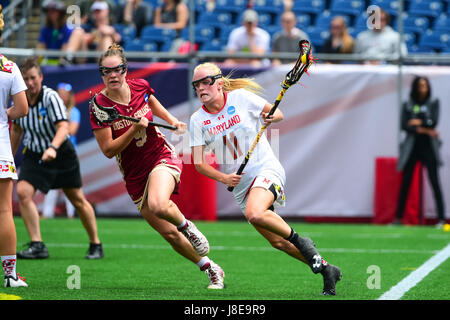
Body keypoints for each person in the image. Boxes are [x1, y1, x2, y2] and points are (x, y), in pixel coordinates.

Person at [189, 62, 342, 295]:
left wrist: (272, 118)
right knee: (278, 242)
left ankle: (303, 242)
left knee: (255, 212)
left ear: (219, 83)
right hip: (240, 187)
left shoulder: (240, 97)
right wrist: (223, 178)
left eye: (205, 82)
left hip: (266, 169)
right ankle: (326, 269)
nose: (201, 88)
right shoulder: (197, 120)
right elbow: (199, 163)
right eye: (196, 84)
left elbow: (277, 113)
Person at [89, 44, 224, 289]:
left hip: (160, 155)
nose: (112, 75)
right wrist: (134, 129)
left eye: (117, 69)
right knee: (169, 234)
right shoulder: (99, 106)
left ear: (125, 69)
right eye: (105, 72)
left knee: (159, 203)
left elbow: (151, 101)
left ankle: (188, 227)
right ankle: (210, 268)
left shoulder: (140, 86)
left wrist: (171, 120)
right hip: (134, 175)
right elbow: (109, 150)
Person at [10, 57, 103, 260]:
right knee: (23, 192)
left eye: (33, 78)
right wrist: (7, 158)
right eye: (25, 78)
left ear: (41, 77)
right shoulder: (18, 99)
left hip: (60, 154)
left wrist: (53, 147)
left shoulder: (51, 97)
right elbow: (16, 130)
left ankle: (95, 243)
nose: (30, 82)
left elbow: (63, 127)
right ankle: (37, 244)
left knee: (77, 199)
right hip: (35, 155)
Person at [0, 5, 29, 287]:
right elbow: (22, 108)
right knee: (4, 211)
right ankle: (9, 275)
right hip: (0, 145)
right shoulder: (9, 67)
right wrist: (4, 114)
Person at [395, 76, 446, 227]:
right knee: (406, 183)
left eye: (425, 85)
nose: (422, 88)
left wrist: (417, 123)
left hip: (429, 148)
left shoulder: (433, 102)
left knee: (435, 182)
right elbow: (404, 125)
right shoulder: (408, 103)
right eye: (420, 85)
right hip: (412, 148)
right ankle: (398, 218)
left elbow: (433, 122)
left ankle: (441, 219)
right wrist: (426, 128)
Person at [42, 83, 80, 219]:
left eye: (65, 94)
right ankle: (47, 213)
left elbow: (72, 130)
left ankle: (71, 214)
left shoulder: (74, 112)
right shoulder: (50, 110)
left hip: (68, 151)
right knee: (50, 183)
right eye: (60, 94)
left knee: (70, 185)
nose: (63, 97)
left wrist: (60, 127)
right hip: (53, 149)